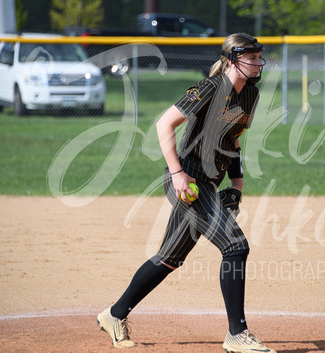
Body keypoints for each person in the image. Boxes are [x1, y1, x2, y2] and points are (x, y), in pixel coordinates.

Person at [97, 33, 276, 353]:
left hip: (209, 182)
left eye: (259, 55)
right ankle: (237, 334)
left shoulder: (250, 94)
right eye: (251, 56)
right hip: (188, 181)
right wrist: (177, 174)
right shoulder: (210, 88)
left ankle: (114, 314)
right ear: (233, 59)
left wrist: (236, 183)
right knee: (235, 247)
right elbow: (164, 124)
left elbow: (233, 139)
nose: (258, 61)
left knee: (170, 258)